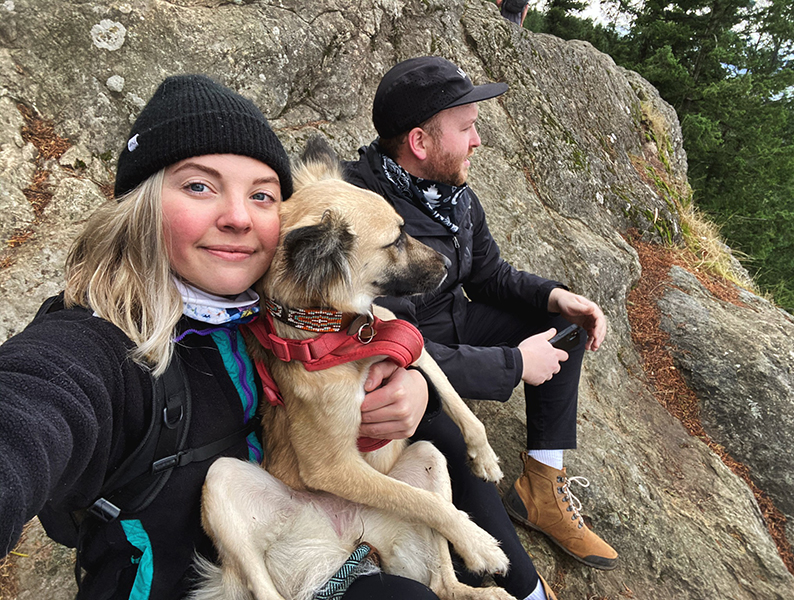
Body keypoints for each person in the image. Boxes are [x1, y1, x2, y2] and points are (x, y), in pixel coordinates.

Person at [0, 74, 451, 600]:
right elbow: (31, 410)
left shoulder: (275, 311)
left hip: (307, 549)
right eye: (199, 186)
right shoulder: (98, 345)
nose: (238, 217)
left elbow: (381, 348)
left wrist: (418, 395)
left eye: (262, 195)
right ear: (141, 206)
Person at [344, 56, 619, 572]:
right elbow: (383, 341)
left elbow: (489, 274)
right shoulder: (366, 213)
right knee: (457, 463)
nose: (478, 141)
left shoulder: (452, 194)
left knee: (567, 329)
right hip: (396, 369)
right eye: (467, 128)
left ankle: (540, 486)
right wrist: (513, 364)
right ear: (421, 143)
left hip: (452, 324)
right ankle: (514, 579)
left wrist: (558, 298)